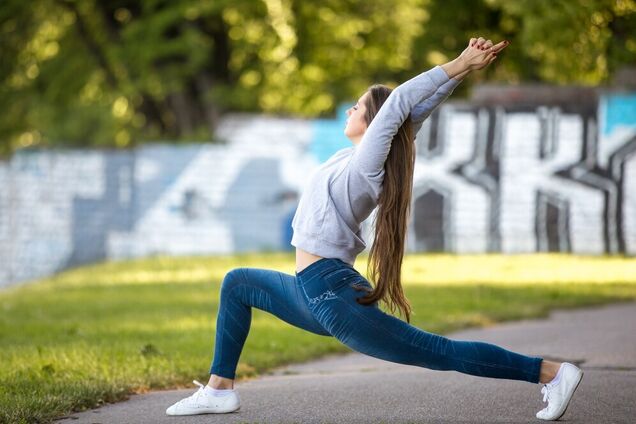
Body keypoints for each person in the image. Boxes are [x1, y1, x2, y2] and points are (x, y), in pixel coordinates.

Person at [165, 37, 583, 421]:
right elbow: (411, 113)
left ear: (375, 121)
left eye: (358, 105)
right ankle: (219, 390)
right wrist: (460, 75)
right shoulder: (353, 157)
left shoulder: (368, 166)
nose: (350, 109)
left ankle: (549, 373)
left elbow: (401, 103)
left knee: (438, 351)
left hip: (331, 293)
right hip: (310, 289)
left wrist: (457, 64)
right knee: (238, 283)